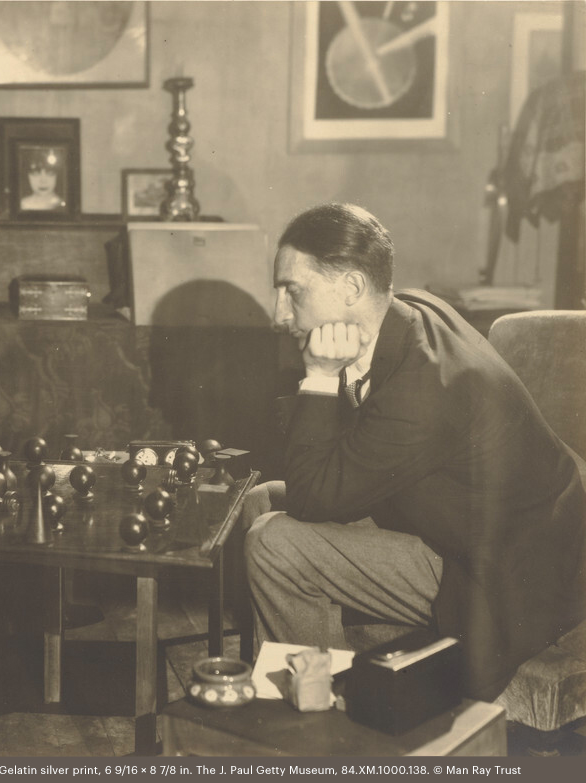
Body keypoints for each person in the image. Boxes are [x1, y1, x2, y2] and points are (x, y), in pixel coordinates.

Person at [244, 202, 586, 700]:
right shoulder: (406, 308)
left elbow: (315, 496)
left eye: (291, 291)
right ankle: (305, 683)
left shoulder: (425, 388)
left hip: (505, 578)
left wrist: (317, 377)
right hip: (469, 528)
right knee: (262, 500)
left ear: (353, 289)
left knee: (272, 542)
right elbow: (325, 474)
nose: (279, 314)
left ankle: (322, 727)